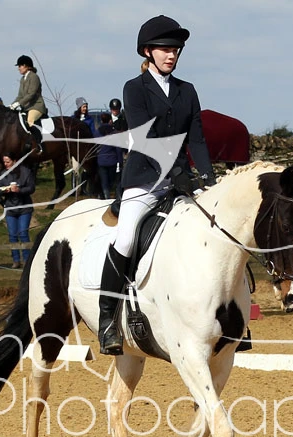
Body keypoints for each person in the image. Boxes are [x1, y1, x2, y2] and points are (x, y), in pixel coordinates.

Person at [96, 14, 216, 355]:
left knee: (213, 227)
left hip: (180, 182)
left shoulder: (186, 90)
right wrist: (177, 173)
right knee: (126, 237)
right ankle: (107, 320)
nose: (171, 54)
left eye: (175, 49)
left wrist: (209, 180)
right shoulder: (134, 88)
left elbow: (197, 140)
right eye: (165, 49)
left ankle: (225, 316)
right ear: (148, 51)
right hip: (144, 181)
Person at [0, 154, 35, 268]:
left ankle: (27, 260)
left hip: (24, 207)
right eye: (4, 162)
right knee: (12, 235)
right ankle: (16, 260)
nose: (6, 164)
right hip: (10, 208)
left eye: (8, 162)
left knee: (23, 233)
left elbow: (31, 188)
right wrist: (3, 191)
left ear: (15, 161)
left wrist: (19, 190)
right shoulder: (3, 174)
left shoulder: (26, 172)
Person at [10, 55, 47, 152]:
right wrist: (12, 105)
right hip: (27, 107)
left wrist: (19, 103)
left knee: (30, 121)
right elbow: (20, 96)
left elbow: (31, 94)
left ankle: (40, 144)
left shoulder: (34, 77)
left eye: (20, 66)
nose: (19, 68)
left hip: (37, 106)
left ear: (26, 66)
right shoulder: (23, 79)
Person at [96, 113, 121, 199]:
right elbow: (118, 149)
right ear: (110, 121)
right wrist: (120, 161)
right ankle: (107, 196)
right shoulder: (114, 133)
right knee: (111, 181)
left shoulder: (97, 132)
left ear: (101, 121)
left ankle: (106, 197)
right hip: (112, 160)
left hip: (101, 160)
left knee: (104, 181)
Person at [108, 98, 128, 199]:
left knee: (119, 168)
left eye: (117, 109)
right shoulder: (107, 119)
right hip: (109, 147)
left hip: (120, 146)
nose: (115, 111)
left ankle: (118, 190)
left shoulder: (123, 119)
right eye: (113, 109)